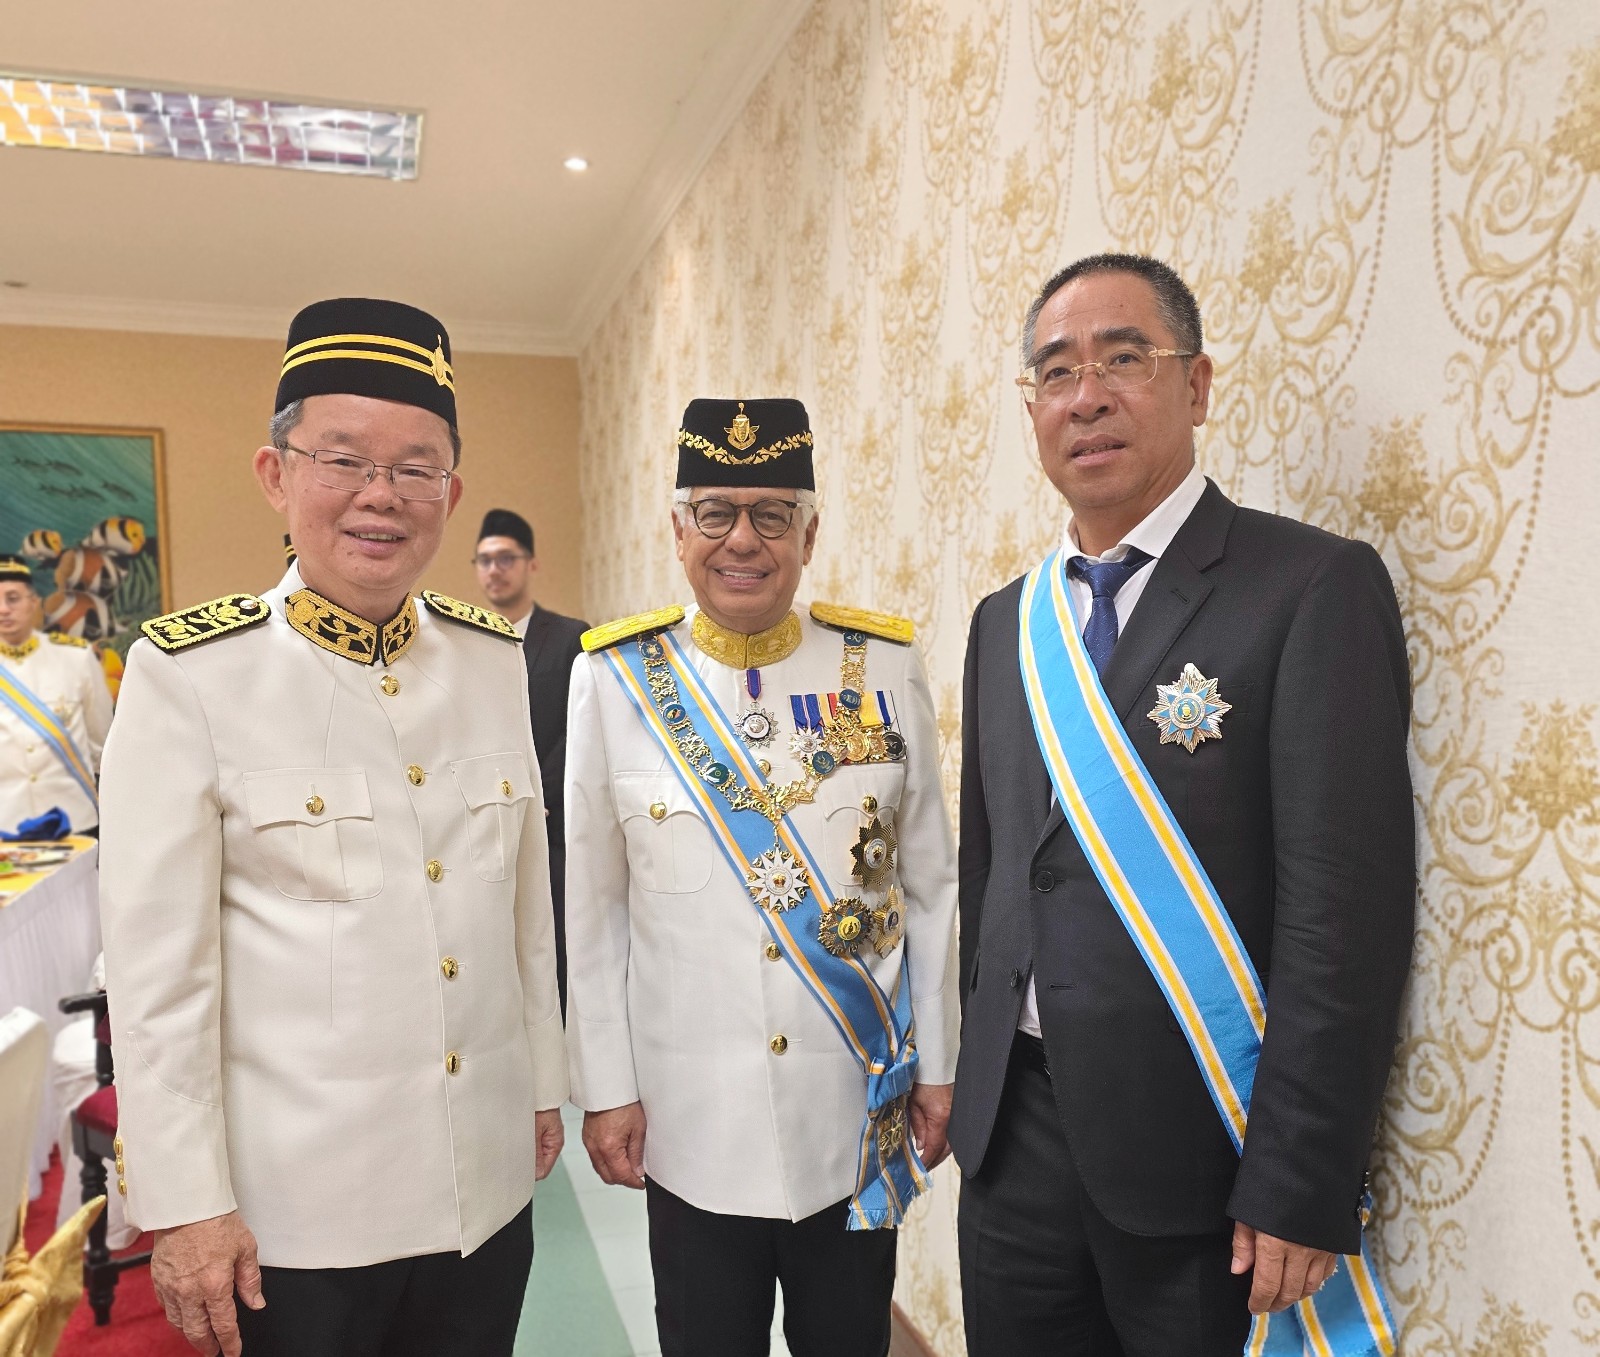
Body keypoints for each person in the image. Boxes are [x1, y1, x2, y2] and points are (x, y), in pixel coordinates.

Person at [947, 254, 1415, 1356]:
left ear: (1196, 386)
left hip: (1206, 1158)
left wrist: (1301, 1176)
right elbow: (995, 869)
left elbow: (1342, 915)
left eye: (1124, 359)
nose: (1086, 397)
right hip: (1012, 1148)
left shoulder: (1308, 587)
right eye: (1055, 372)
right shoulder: (1004, 620)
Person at [98, 298, 568, 1357]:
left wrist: (542, 1084)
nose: (380, 495)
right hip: (298, 1219)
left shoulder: (491, 660)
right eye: (343, 460)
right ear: (276, 474)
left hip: (483, 1191)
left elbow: (522, 911)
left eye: (415, 467)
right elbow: (158, 975)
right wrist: (186, 1200)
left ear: (450, 493)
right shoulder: (190, 676)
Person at [565, 398, 960, 1357]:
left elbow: (932, 884)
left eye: (772, 514)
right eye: (715, 511)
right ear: (678, 530)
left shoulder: (884, 666)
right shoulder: (613, 680)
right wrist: (606, 1088)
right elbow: (594, 908)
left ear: (808, 534)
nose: (742, 539)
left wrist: (941, 1068)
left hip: (851, 1120)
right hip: (692, 1129)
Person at [474, 508, 588, 1007]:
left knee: (557, 956)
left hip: (556, 828)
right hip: (492, 828)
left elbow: (579, 730)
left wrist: (538, 794)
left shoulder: (569, 638)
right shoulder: (472, 644)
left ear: (531, 564)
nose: (494, 570)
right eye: (484, 561)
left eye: (505, 558)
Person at [0, 553, 113, 836]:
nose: (3, 609)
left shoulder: (76, 657)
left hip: (74, 820)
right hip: (6, 825)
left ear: (33, 602)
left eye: (13, 598)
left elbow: (102, 744)